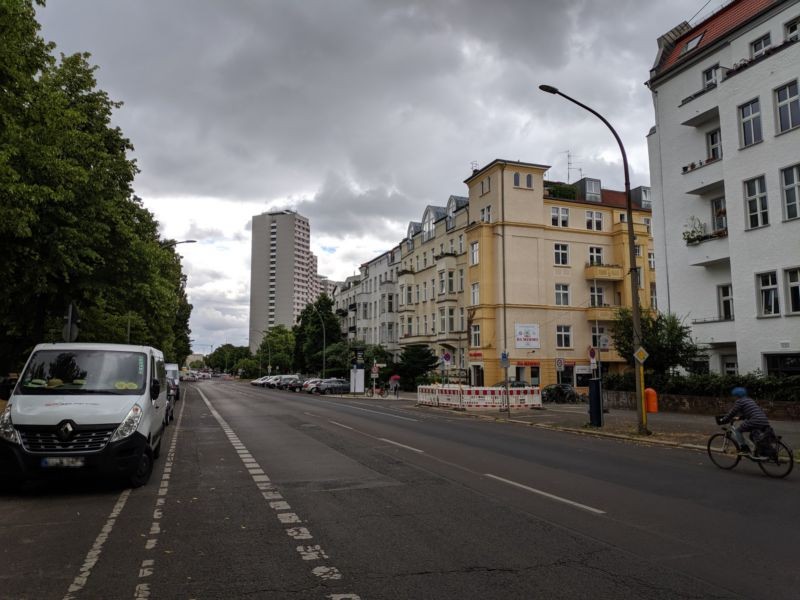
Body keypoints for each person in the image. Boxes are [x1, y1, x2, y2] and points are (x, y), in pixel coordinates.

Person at [718, 387, 772, 455]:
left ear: (736, 395)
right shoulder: (750, 400)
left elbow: (732, 412)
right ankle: (758, 450)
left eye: (734, 396)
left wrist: (724, 419)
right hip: (763, 420)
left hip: (755, 420)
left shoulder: (740, 401)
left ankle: (744, 449)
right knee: (754, 433)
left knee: (737, 430)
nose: (733, 397)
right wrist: (740, 418)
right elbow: (751, 412)